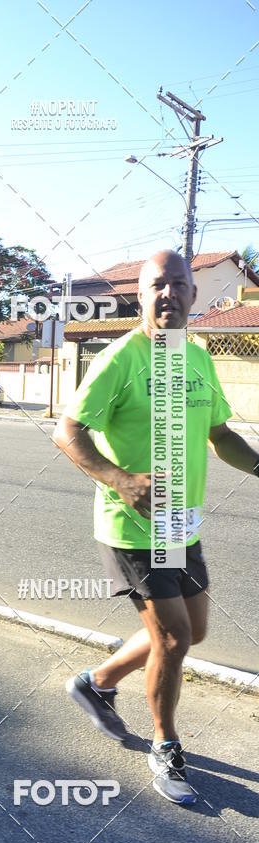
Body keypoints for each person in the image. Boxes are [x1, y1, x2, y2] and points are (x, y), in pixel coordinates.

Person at [53, 249, 259, 804]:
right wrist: (119, 479)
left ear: (196, 295)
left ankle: (95, 684)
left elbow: (221, 435)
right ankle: (165, 747)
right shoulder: (123, 358)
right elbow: (67, 431)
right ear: (140, 296)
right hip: (132, 526)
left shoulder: (196, 357)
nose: (168, 294)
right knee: (173, 639)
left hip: (180, 525)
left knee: (193, 630)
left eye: (178, 285)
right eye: (156, 286)